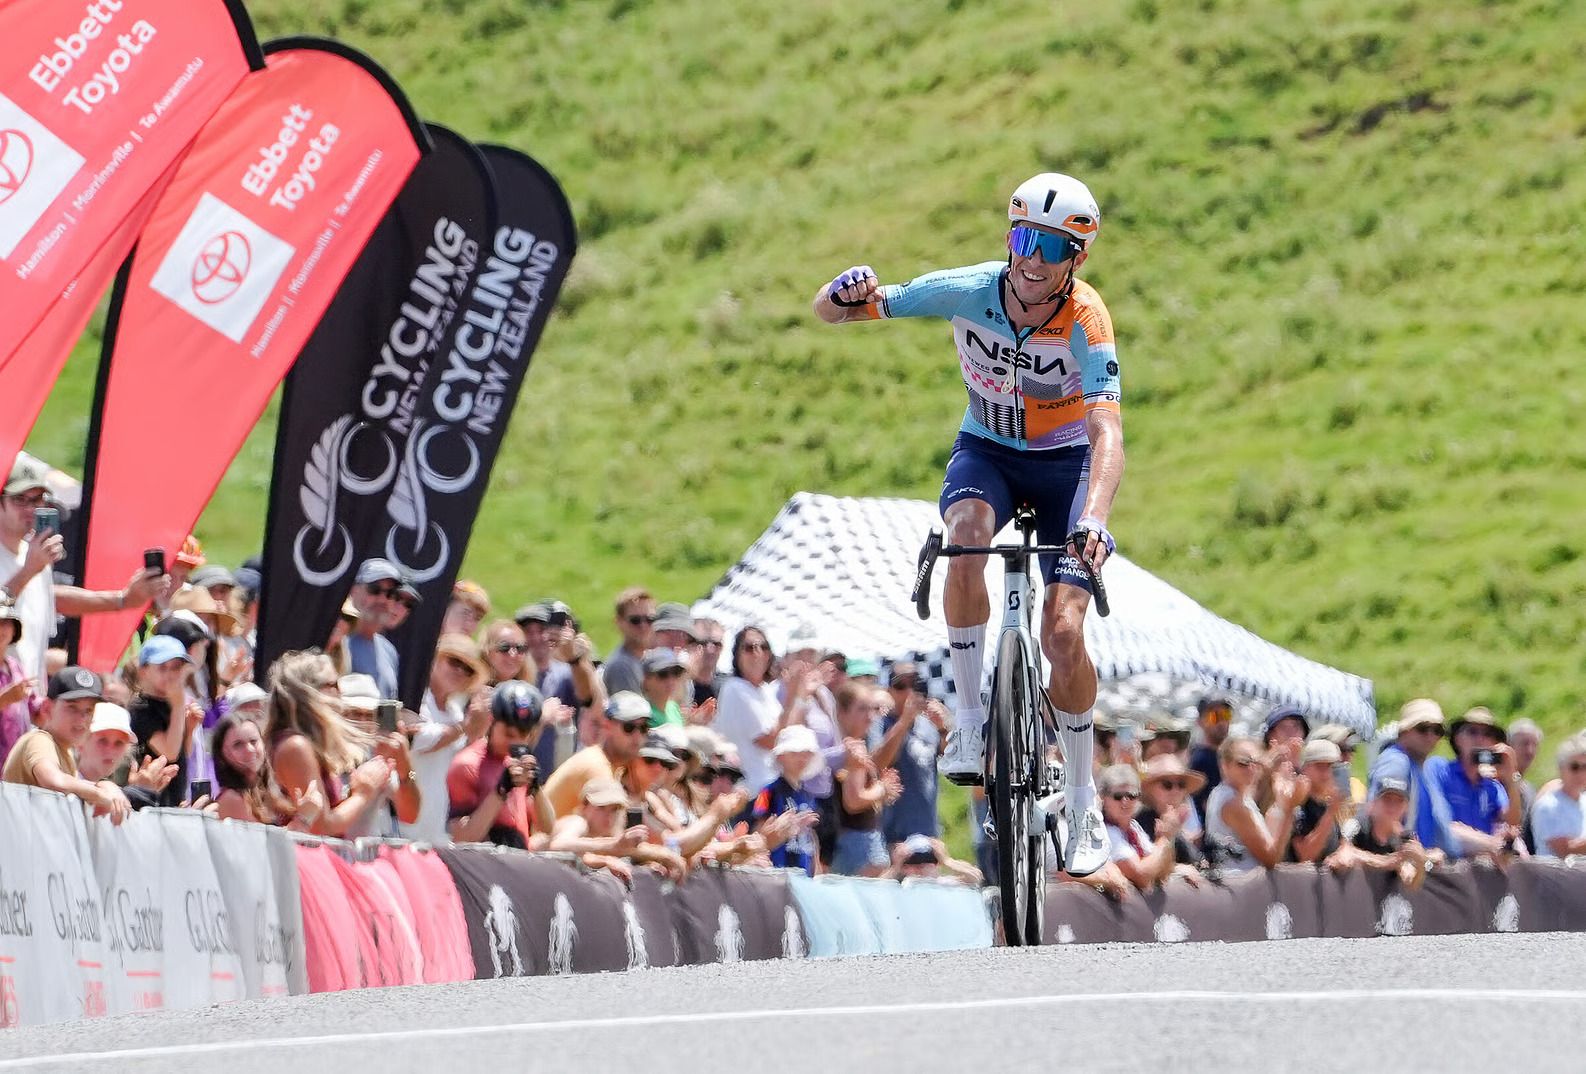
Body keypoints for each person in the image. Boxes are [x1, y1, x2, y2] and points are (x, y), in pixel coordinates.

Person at [815, 172, 1121, 875]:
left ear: (1076, 257)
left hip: (1066, 467)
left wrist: (1095, 519)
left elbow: (1108, 431)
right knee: (966, 536)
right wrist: (841, 292)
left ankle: (1082, 797)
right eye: (1023, 239)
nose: (1032, 259)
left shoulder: (1087, 319)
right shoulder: (968, 289)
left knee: (1063, 634)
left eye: (1051, 246)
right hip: (988, 452)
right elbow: (833, 313)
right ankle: (974, 722)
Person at [0, 459, 170, 683]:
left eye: (37, 499)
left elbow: (51, 597)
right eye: (20, 499)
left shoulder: (32, 553)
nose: (31, 509)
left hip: (27, 695)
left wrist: (123, 599)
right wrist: (29, 571)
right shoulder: (32, 559)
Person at [265, 650, 409, 838]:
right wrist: (363, 793)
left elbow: (410, 814)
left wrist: (407, 769)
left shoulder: (308, 743)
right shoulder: (295, 746)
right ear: (310, 691)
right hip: (305, 855)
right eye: (334, 685)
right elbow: (321, 826)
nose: (340, 693)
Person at [1, 667, 130, 824]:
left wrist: (105, 785)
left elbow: (71, 784)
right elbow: (54, 781)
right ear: (47, 708)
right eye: (72, 708)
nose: (82, 718)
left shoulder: (65, 752)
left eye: (89, 710)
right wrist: (99, 793)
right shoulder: (39, 740)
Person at [447, 681, 555, 849]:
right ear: (492, 720)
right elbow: (462, 838)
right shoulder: (467, 764)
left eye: (523, 736)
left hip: (516, 859)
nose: (516, 743)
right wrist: (501, 790)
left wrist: (536, 788)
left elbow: (548, 828)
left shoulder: (519, 764)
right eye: (509, 734)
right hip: (480, 862)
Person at [403, 634, 490, 843]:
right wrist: (464, 727)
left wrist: (479, 725)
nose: (460, 671)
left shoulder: (455, 712)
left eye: (468, 669)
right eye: (454, 662)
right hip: (404, 816)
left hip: (435, 819)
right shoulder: (417, 700)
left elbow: (460, 758)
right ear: (435, 658)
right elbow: (420, 741)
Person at [713, 626, 805, 793]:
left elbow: (792, 731)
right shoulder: (735, 688)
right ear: (737, 655)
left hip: (773, 785)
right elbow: (769, 741)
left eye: (764, 647)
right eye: (749, 648)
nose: (757, 653)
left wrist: (802, 693)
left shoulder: (765, 691)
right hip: (751, 789)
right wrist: (791, 697)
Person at [1428, 706, 1522, 861]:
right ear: (1457, 738)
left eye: (1487, 734)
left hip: (1481, 865)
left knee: (1517, 845)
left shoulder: (1492, 786)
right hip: (1447, 860)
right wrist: (1492, 844)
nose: (1480, 739)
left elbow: (1512, 822)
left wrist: (1511, 777)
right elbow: (1440, 823)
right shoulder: (1440, 770)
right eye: (1472, 732)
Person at [1368, 698, 1457, 856]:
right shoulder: (1396, 762)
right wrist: (1415, 852)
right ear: (1404, 731)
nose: (1431, 736)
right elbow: (1381, 815)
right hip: (1399, 864)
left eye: (1437, 731)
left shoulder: (1422, 767)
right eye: (1423, 729)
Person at [1204, 735, 1305, 873]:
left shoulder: (1225, 792)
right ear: (1225, 765)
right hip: (1241, 882)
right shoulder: (1235, 804)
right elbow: (1271, 859)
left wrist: (1275, 763)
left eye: (1256, 763)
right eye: (1243, 763)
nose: (1251, 768)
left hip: (1235, 881)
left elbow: (1258, 786)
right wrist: (1289, 809)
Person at [543, 691, 649, 819]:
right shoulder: (596, 766)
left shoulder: (615, 765)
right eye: (629, 727)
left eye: (643, 728)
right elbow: (609, 825)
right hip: (554, 831)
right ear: (607, 726)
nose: (638, 736)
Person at [874, 662, 948, 848]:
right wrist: (904, 721)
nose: (909, 692)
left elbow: (949, 759)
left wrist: (943, 729)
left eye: (915, 684)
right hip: (893, 835)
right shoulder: (880, 724)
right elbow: (878, 764)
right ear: (889, 691)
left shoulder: (927, 725)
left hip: (928, 831)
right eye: (901, 686)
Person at [127, 635, 200, 807]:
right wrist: (179, 706)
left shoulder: (171, 704)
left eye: (176, 667)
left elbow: (183, 753)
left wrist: (189, 729)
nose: (170, 674)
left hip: (173, 797)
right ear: (143, 671)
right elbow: (170, 753)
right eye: (162, 668)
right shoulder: (140, 708)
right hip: (150, 801)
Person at [211, 710, 309, 827]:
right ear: (222, 755)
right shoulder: (231, 799)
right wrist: (306, 817)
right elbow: (264, 840)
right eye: (238, 745)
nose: (250, 749)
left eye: (253, 741)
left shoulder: (270, 790)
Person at [1098, 764, 1188, 891]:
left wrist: (1168, 839)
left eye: (1131, 795)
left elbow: (1161, 871)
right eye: (1118, 796)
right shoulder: (1103, 831)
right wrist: (1164, 839)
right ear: (1104, 798)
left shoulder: (1134, 828)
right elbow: (1142, 876)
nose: (1125, 801)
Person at [77, 702, 178, 809]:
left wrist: (138, 791)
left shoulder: (109, 787)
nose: (110, 750)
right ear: (80, 742)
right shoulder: (69, 782)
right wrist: (139, 790)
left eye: (119, 743)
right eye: (102, 741)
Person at [751, 725, 823, 875]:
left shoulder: (808, 796)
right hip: (777, 871)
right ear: (780, 756)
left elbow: (811, 836)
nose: (802, 759)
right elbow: (758, 830)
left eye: (807, 754)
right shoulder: (768, 792)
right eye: (795, 753)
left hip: (803, 873)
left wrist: (816, 869)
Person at [548, 778, 650, 882]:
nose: (608, 815)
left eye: (615, 809)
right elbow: (557, 845)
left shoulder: (607, 833)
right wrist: (612, 847)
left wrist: (648, 862)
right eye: (601, 807)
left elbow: (587, 856)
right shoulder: (577, 822)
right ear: (584, 806)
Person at [344, 558, 416, 699]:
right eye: (374, 589)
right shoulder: (338, 642)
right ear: (353, 591)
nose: (383, 600)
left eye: (391, 594)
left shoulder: (389, 651)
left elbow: (388, 705)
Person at [1136, 754, 1206, 867]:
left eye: (1181, 785)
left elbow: (1196, 862)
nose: (1175, 791)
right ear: (1149, 790)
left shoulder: (1177, 820)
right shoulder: (1139, 824)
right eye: (1167, 785)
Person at [1288, 739, 1346, 866]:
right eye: (1320, 766)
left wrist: (1343, 854)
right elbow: (1305, 855)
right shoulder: (1297, 804)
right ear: (1305, 768)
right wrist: (1330, 813)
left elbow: (1342, 844)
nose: (1326, 773)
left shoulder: (1326, 804)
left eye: (1330, 767)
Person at [1529, 734, 1586, 859]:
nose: (1581, 774)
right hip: (1555, 871)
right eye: (1574, 767)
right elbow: (1564, 850)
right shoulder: (1548, 806)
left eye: (1585, 767)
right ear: (1561, 769)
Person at [0, 601, 41, 772]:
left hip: (13, 767)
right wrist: (5, 699)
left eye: (5, 622)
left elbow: (35, 709)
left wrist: (47, 708)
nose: (1, 629)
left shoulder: (15, 666)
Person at [601, 587, 656, 696]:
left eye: (649, 619)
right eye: (635, 620)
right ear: (619, 623)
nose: (643, 626)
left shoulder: (650, 658)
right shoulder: (621, 667)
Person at [883, 833, 983, 886]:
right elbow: (877, 890)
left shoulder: (942, 884)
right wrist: (895, 867)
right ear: (904, 867)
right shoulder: (901, 887)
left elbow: (975, 878)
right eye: (913, 861)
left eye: (928, 860)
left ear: (937, 864)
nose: (920, 867)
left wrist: (947, 861)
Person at [1188, 695, 1232, 815]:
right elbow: (1208, 805)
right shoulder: (1200, 760)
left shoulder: (1226, 757)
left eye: (1226, 715)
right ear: (1200, 722)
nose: (1222, 722)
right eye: (1215, 717)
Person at [639, 648, 688, 728]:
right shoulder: (641, 714)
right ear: (646, 680)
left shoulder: (673, 707)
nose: (671, 680)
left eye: (676, 672)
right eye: (663, 674)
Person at [690, 617, 729, 707]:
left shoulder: (727, 687)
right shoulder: (676, 684)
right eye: (703, 643)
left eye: (716, 644)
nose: (710, 650)